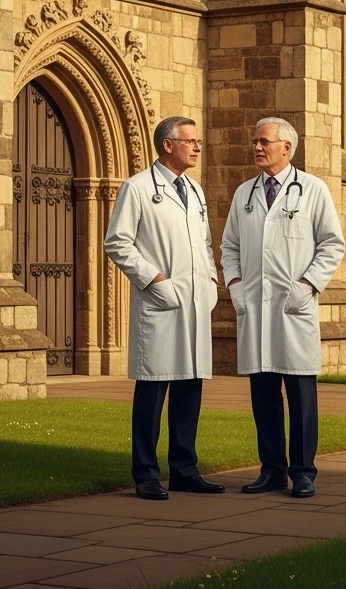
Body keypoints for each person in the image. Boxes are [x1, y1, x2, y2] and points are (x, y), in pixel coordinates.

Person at [221, 117, 345, 498]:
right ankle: (271, 470)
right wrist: (237, 288)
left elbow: (332, 245)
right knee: (263, 394)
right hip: (255, 309)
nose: (257, 147)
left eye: (264, 141)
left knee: (301, 394)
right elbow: (229, 248)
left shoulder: (312, 190)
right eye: (255, 141)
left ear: (287, 147)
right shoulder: (244, 194)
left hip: (295, 308)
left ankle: (303, 472)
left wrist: (306, 286)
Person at [103, 116, 222, 500]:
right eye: (190, 141)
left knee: (190, 387)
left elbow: (204, 243)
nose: (197, 147)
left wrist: (211, 281)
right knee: (153, 390)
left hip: (195, 301)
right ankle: (146, 473)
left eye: (198, 141)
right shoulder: (137, 188)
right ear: (168, 145)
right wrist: (156, 282)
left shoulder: (196, 191)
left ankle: (185, 469)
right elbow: (118, 243)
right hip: (161, 302)